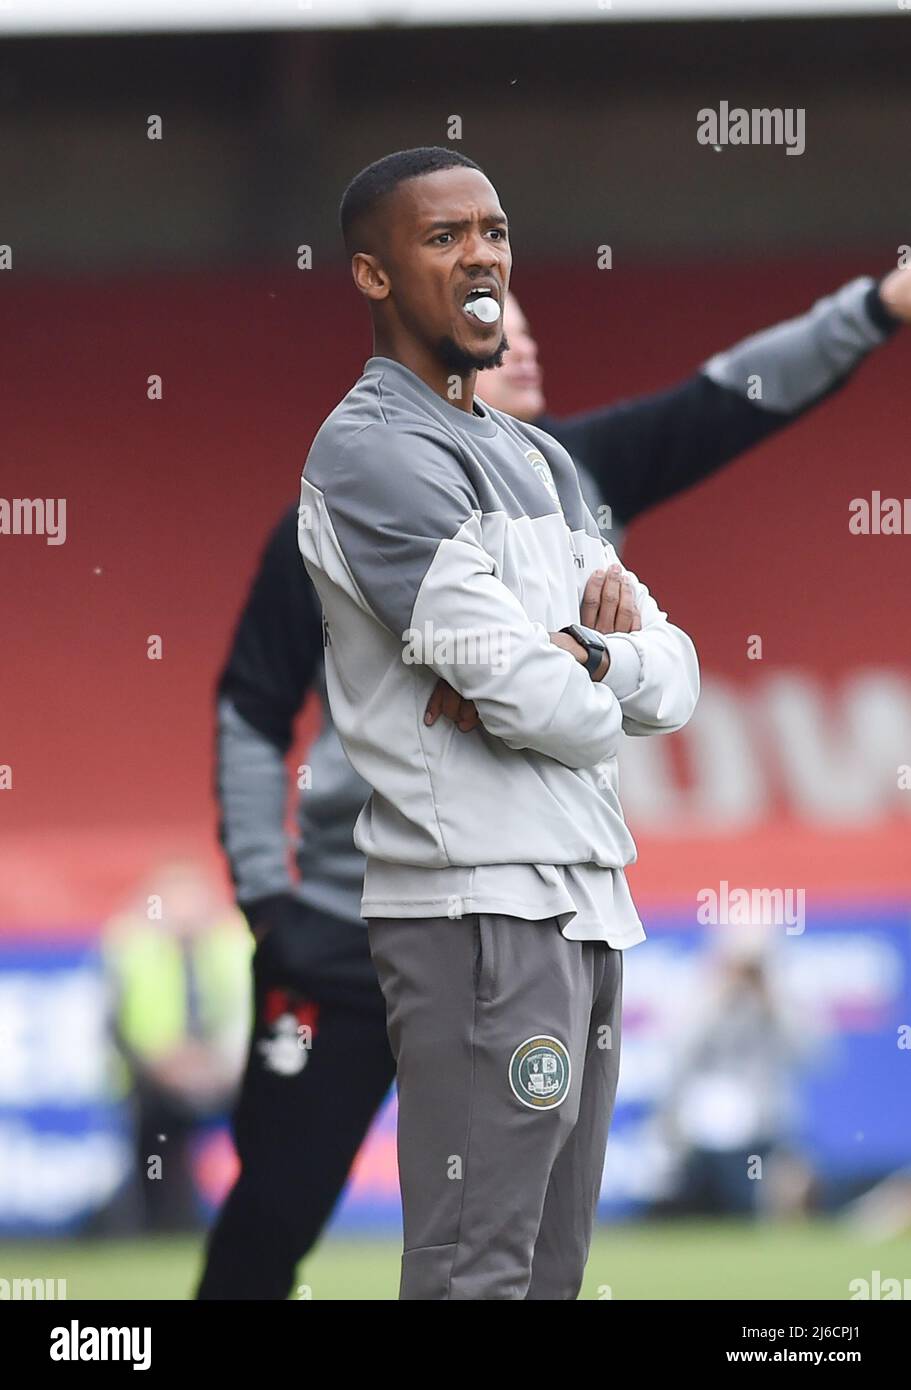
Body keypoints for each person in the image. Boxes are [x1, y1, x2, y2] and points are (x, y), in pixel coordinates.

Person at [197, 178, 909, 1297]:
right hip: (352, 914)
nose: (509, 335)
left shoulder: (563, 479)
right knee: (284, 1203)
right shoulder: (353, 487)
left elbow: (731, 398)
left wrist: (871, 309)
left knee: (538, 1251)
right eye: (455, 254)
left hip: (548, 896)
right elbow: (250, 706)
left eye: (510, 283)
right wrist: (265, 901)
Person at [296, 144, 700, 1300]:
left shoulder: (541, 458)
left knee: (548, 1271)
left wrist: (595, 659)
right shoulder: (375, 449)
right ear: (372, 276)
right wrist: (584, 678)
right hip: (472, 902)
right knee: (475, 1265)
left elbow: (671, 678)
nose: (480, 254)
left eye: (493, 232)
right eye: (442, 236)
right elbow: (537, 702)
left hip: (583, 899)